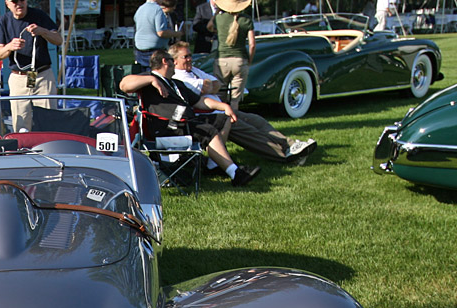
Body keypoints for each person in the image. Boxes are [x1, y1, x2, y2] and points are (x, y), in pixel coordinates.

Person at [120, 48, 260, 187]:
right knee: (207, 131)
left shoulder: (176, 83)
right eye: (172, 61)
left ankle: (213, 165)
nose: (175, 64)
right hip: (167, 127)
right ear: (165, 61)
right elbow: (124, 85)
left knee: (223, 119)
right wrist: (151, 79)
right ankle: (235, 173)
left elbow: (199, 101)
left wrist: (223, 107)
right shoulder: (148, 79)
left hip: (185, 123)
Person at [169, 41, 315, 165]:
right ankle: (285, 156)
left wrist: (208, 86)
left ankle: (290, 144)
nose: (189, 59)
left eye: (190, 55)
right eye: (185, 57)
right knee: (250, 132)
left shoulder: (194, 71)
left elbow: (216, 83)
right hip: (211, 116)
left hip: (222, 112)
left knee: (257, 120)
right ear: (175, 61)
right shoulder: (179, 77)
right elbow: (208, 88)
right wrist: (209, 86)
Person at [0, 0, 61, 132]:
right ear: (7, 4)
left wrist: (43, 31)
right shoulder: (4, 21)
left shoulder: (39, 15)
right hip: (18, 78)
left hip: (42, 76)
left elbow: (58, 40)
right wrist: (10, 46)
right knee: (21, 124)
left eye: (22, 0)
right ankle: (23, 151)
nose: (19, 4)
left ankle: (49, 149)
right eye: (14, 1)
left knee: (48, 120)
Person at [209, 0, 254, 109]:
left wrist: (216, 13)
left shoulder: (219, 19)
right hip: (240, 60)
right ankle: (235, 121)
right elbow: (252, 44)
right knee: (235, 98)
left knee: (220, 94)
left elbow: (209, 27)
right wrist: (249, 60)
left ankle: (221, 120)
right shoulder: (247, 20)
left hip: (222, 60)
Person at [133, 0, 181, 71]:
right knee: (157, 75)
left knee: (144, 75)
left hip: (140, 50)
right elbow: (161, 32)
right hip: (154, 51)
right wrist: (176, 34)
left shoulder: (140, 9)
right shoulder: (157, 9)